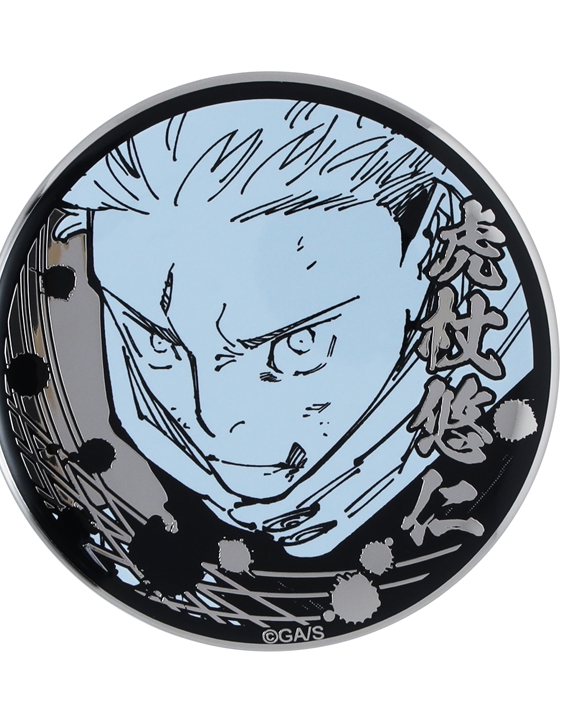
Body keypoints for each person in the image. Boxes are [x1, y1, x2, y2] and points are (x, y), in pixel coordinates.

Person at [55, 98, 532, 557]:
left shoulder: (503, 442)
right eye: (157, 341)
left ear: (426, 245)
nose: (214, 421)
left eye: (298, 345)